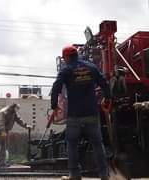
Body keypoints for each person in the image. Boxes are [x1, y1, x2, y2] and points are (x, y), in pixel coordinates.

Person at [51, 45, 110, 180]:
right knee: (97, 144)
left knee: (72, 144)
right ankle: (104, 174)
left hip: (74, 115)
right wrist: (108, 97)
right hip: (92, 113)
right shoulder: (91, 67)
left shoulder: (66, 70)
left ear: (66, 57)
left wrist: (54, 105)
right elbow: (104, 83)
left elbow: (56, 87)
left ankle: (75, 174)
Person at [0, 103, 28, 169]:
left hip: (5, 130)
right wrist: (3, 132)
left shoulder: (13, 113)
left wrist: (26, 126)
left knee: (3, 147)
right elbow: (1, 123)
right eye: (16, 109)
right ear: (12, 107)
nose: (16, 111)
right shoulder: (3, 112)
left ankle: (2, 163)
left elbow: (19, 120)